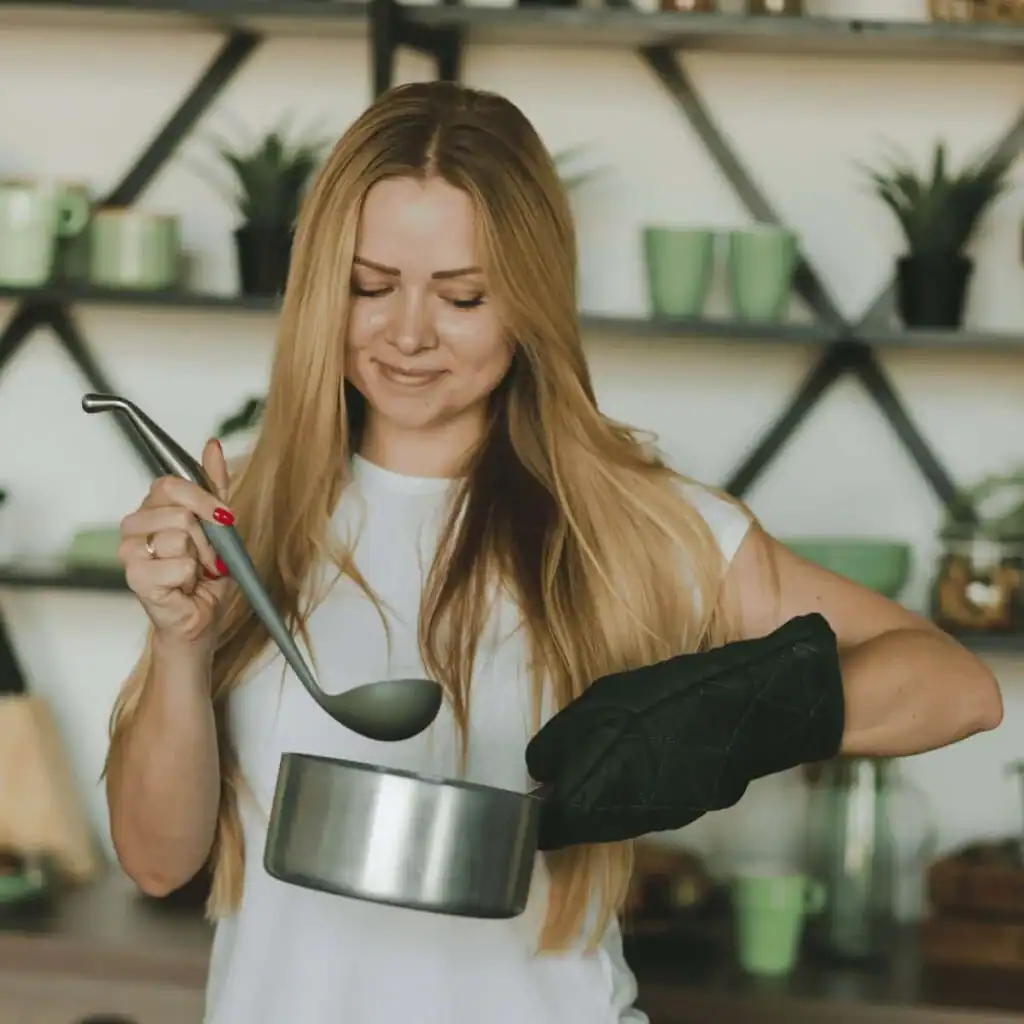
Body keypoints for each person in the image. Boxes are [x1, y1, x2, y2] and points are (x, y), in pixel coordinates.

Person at [103, 81, 1003, 1024]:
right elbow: (158, 859)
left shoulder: (633, 523)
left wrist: (703, 730)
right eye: (370, 287)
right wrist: (180, 643)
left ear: (529, 298)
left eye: (463, 296)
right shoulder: (240, 517)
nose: (407, 333)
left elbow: (956, 686)